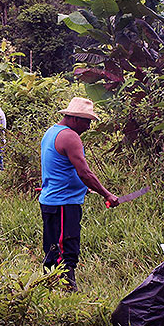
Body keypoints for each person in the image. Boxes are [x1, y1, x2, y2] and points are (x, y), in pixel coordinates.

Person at [39, 97, 119, 291]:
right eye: (87, 121)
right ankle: (68, 292)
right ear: (75, 118)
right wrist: (107, 194)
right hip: (63, 204)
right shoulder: (70, 136)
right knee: (67, 249)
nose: (89, 126)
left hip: (51, 200)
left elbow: (60, 168)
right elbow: (84, 172)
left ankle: (49, 289)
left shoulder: (51, 132)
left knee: (52, 247)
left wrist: (82, 187)